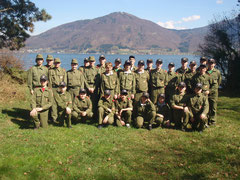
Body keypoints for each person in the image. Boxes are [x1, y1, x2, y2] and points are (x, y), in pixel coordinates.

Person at [207, 58, 222, 125]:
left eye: (212, 63)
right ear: (207, 63)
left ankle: (213, 121)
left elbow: (218, 82)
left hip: (214, 93)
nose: (211, 65)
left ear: (214, 64)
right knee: (206, 106)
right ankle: (206, 119)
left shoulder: (217, 72)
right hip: (206, 93)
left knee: (213, 107)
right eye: (209, 63)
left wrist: (212, 90)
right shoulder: (205, 71)